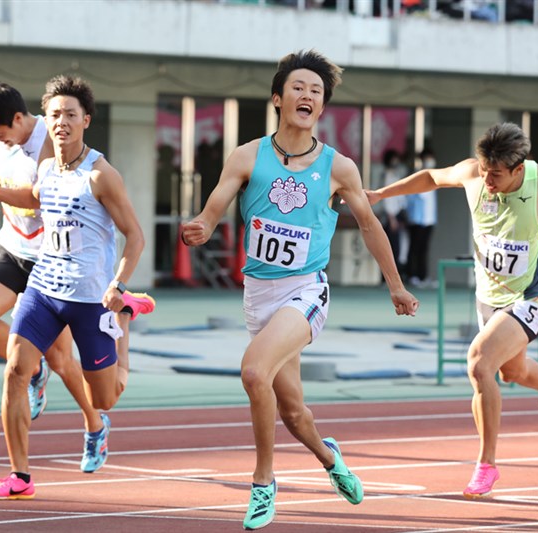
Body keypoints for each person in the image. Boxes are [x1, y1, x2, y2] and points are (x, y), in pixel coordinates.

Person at [182, 50, 419, 530]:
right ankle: (330, 459)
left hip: (307, 291)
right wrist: (204, 226)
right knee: (292, 413)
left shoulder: (339, 167)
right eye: (298, 87)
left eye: (316, 91)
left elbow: (371, 227)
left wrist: (395, 286)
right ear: (278, 98)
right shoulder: (247, 155)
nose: (307, 95)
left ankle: (264, 482)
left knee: (253, 373)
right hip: (258, 294)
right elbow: (216, 205)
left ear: (322, 108)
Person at [366, 122, 538, 499]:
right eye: (485, 173)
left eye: (496, 176)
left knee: (479, 363)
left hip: (528, 299)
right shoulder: (473, 173)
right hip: (488, 299)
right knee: (512, 371)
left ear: (519, 169)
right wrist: (381, 194)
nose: (488, 182)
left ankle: (487, 466)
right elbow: (432, 178)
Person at [0, 75, 154, 500]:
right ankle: (20, 476)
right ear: (45, 119)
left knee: (105, 398)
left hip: (91, 297)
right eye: (55, 114)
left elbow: (135, 235)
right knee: (15, 370)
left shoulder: (102, 175)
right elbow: (32, 197)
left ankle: (125, 319)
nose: (61, 121)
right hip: (44, 287)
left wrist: (118, 285)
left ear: (85, 119)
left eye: (69, 114)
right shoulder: (45, 167)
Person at [405, 149, 438, 287]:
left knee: (424, 249)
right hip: (416, 220)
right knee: (414, 249)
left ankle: (423, 276)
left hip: (429, 220)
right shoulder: (417, 177)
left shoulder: (435, 177)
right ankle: (412, 275)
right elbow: (409, 198)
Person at [380, 148, 408, 277]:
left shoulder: (396, 174)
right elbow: (386, 199)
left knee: (399, 247)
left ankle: (396, 274)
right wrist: (391, 218)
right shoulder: (387, 175)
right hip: (390, 216)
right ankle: (387, 277)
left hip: (398, 214)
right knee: (390, 247)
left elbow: (400, 197)